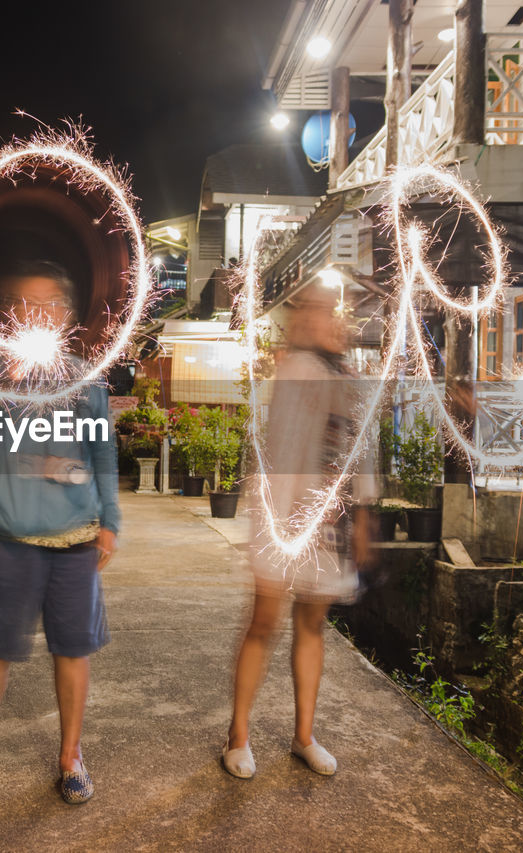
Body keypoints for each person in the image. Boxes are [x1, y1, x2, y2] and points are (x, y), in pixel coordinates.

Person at [0, 259, 120, 805]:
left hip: (73, 539)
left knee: (72, 650)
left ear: (65, 316)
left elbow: (101, 451)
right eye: (21, 304)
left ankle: (71, 758)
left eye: (46, 304)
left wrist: (109, 519)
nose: (33, 314)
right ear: (4, 314)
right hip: (6, 537)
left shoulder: (86, 378)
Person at [223, 279, 374, 780]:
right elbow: (274, 455)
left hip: (331, 526)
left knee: (312, 626)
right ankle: (238, 737)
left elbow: (360, 451)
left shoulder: (347, 375)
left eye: (325, 310)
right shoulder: (293, 370)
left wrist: (364, 518)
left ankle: (303, 736)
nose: (316, 318)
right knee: (263, 625)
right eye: (306, 310)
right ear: (294, 318)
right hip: (284, 523)